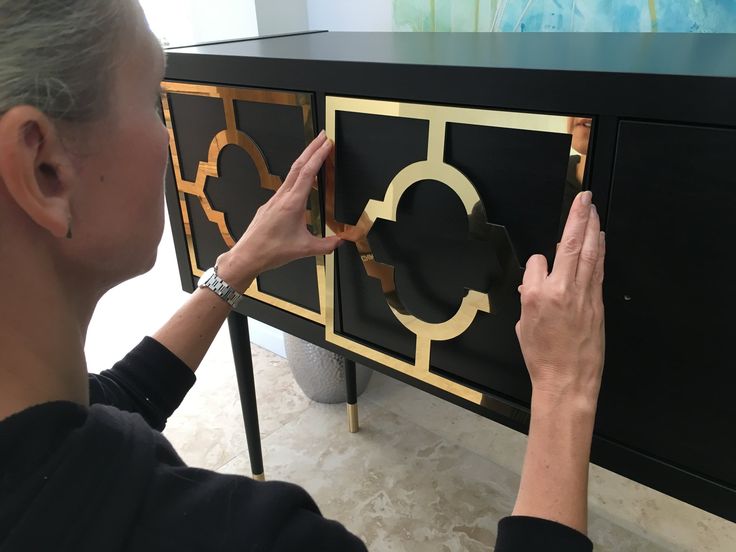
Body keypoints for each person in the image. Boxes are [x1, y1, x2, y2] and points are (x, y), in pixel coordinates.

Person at [0, 1, 605, 550]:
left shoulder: (36, 444)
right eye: (152, 98)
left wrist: (235, 266)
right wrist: (561, 391)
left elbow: (114, 402)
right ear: (45, 167)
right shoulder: (238, 535)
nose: (167, 134)